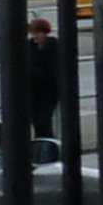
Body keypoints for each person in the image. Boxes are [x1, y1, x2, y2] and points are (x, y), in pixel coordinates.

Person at [23, 15, 64, 143]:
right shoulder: (30, 47)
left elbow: (52, 69)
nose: (35, 36)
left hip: (49, 90)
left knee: (44, 120)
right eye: (33, 33)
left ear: (44, 33)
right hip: (34, 90)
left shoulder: (53, 46)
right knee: (36, 120)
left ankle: (47, 144)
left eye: (37, 33)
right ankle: (41, 144)